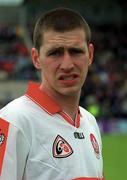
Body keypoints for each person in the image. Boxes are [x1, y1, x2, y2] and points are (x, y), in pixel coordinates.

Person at [0, 7, 105, 180]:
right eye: (55, 53)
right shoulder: (14, 120)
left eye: (76, 51)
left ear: (90, 54)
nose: (67, 64)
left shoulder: (90, 122)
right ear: (36, 58)